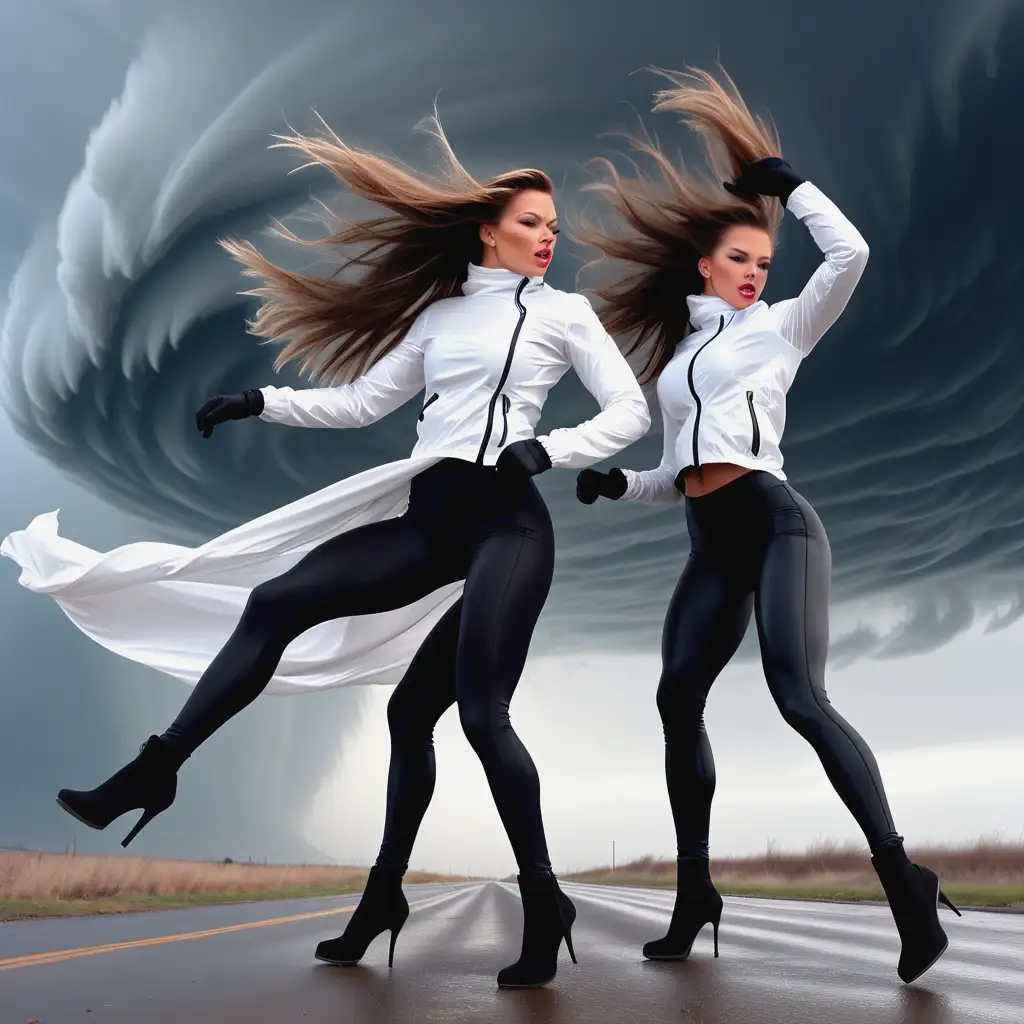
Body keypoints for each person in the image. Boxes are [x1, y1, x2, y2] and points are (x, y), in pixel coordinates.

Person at [1, 112, 650, 988]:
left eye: (554, 228)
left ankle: (544, 900)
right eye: (532, 223)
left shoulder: (565, 315)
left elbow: (630, 413)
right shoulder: (439, 318)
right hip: (431, 520)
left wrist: (554, 449)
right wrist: (258, 401)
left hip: (509, 525)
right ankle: (163, 774)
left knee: (478, 712)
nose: (548, 238)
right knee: (281, 606)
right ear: (487, 230)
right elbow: (360, 405)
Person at [573, 67, 959, 985]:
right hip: (709, 542)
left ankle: (903, 879)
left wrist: (792, 189)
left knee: (798, 697)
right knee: (675, 703)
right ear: (705, 264)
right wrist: (620, 486)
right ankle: (695, 891)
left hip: (778, 523)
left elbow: (852, 256)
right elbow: (676, 476)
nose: (756, 274)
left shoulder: (782, 330)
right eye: (742, 259)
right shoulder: (675, 362)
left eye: (765, 263)